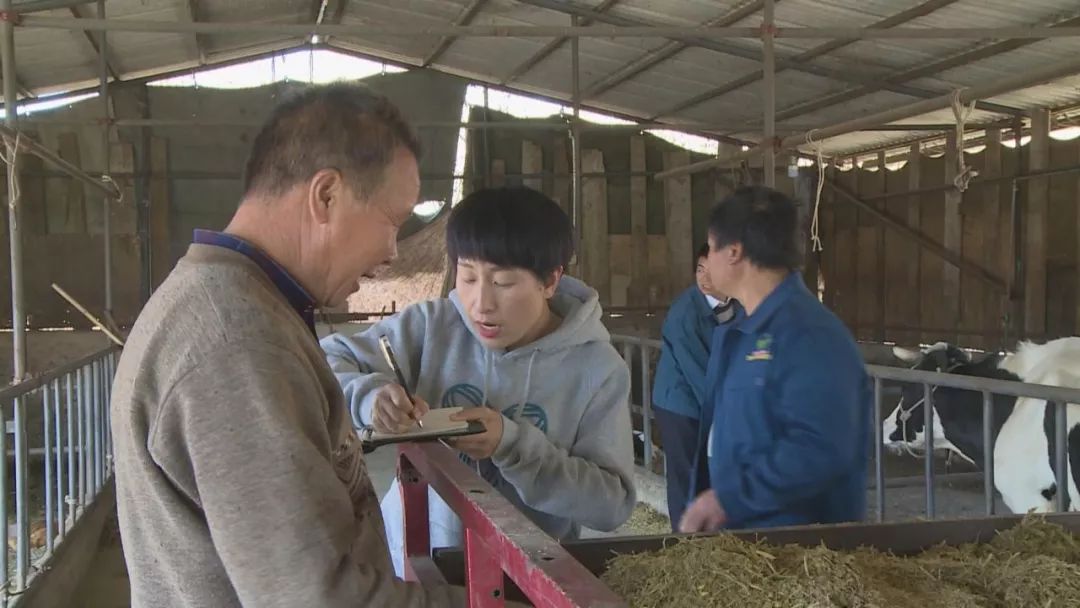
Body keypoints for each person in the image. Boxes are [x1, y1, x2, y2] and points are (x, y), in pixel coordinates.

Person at [110, 84, 466, 607]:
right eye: (393, 221)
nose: (392, 251)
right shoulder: (238, 344)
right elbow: (315, 599)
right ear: (326, 195)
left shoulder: (222, 300)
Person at [322, 186, 635, 577]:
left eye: (503, 283)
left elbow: (611, 507)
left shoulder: (597, 370)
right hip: (411, 561)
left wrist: (511, 445)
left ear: (551, 280)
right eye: (467, 277)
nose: (480, 303)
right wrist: (370, 397)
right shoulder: (431, 326)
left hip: (525, 577)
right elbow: (324, 359)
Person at [680, 186, 871, 534]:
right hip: (745, 546)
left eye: (710, 247)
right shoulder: (738, 332)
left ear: (733, 252)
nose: (706, 260)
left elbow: (820, 447)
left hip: (798, 558)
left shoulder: (810, 335)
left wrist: (728, 499)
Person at [651, 243, 739, 530]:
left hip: (713, 400)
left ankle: (708, 536)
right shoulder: (685, 313)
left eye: (711, 270)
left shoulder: (740, 304)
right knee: (688, 473)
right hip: (681, 403)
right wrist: (733, 418)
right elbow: (698, 371)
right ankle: (683, 538)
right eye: (699, 269)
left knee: (709, 472)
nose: (704, 278)